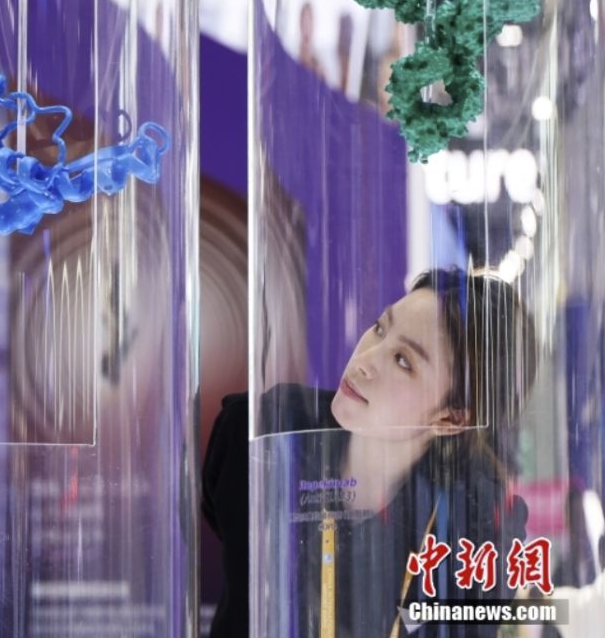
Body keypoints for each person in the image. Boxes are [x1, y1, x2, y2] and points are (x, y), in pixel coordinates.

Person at [203, 268, 537, 637]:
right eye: (380, 328)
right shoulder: (260, 434)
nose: (364, 360)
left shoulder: (476, 526)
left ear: (451, 418)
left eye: (403, 360)